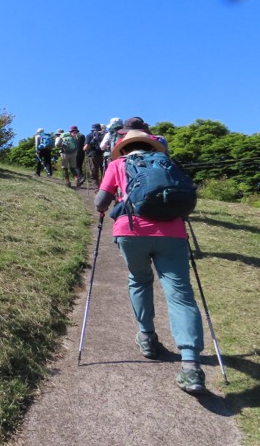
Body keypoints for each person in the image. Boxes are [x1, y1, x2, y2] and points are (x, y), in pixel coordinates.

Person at [94, 129, 206, 395]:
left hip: (131, 232)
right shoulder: (168, 164)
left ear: (123, 148)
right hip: (173, 234)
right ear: (153, 146)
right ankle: (190, 366)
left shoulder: (118, 164)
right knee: (180, 295)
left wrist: (104, 209)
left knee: (140, 280)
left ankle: (146, 337)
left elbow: (101, 201)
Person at [84, 122, 106, 189]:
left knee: (94, 174)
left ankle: (96, 189)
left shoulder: (89, 135)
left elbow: (86, 147)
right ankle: (104, 188)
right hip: (103, 155)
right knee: (104, 172)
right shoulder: (104, 135)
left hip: (93, 155)